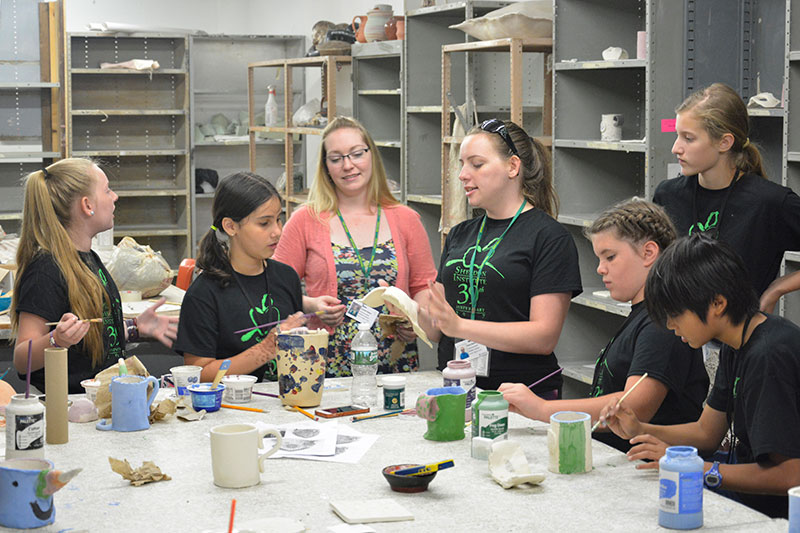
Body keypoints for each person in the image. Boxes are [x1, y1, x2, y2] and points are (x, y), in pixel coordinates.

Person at [598, 234, 800, 518]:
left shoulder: (768, 355)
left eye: (675, 313)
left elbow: (791, 476)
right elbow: (707, 433)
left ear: (717, 303)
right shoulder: (738, 342)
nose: (670, 325)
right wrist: (641, 428)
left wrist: (696, 467)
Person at [498, 199, 708, 452]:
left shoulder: (662, 322)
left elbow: (633, 407)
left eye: (610, 257)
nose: (600, 269)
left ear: (648, 253)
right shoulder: (642, 315)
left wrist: (542, 409)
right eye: (599, 259)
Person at [425, 118, 582, 394]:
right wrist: (408, 310)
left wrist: (461, 325)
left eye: (476, 164)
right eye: (461, 164)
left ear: (512, 166)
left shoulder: (549, 237)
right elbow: (436, 330)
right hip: (456, 386)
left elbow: (543, 336)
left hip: (521, 393)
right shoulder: (460, 234)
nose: (462, 174)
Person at [275, 116, 437, 377]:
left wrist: (415, 318)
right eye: (336, 158)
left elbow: (423, 288)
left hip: (395, 360)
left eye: (356, 154)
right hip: (326, 362)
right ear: (326, 167)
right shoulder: (305, 220)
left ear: (371, 155)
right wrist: (312, 305)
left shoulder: (406, 219)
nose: (348, 165)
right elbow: (274, 288)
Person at [11, 158, 178, 394]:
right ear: (87, 205)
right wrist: (56, 340)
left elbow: (94, 332)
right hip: (71, 408)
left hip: (101, 401)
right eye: (107, 190)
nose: (115, 197)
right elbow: (21, 359)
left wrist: (134, 328)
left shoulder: (89, 258)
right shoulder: (45, 270)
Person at [653, 82, 800, 312]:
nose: (675, 148)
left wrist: (777, 289)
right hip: (679, 337)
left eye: (688, 138)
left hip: (741, 342)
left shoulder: (769, 203)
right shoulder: (667, 194)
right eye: (677, 136)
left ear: (724, 142)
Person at [175, 172, 306, 382]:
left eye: (278, 220)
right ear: (230, 226)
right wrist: (265, 350)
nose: (277, 231)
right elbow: (198, 374)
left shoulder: (286, 277)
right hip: (230, 408)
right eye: (264, 223)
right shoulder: (204, 293)